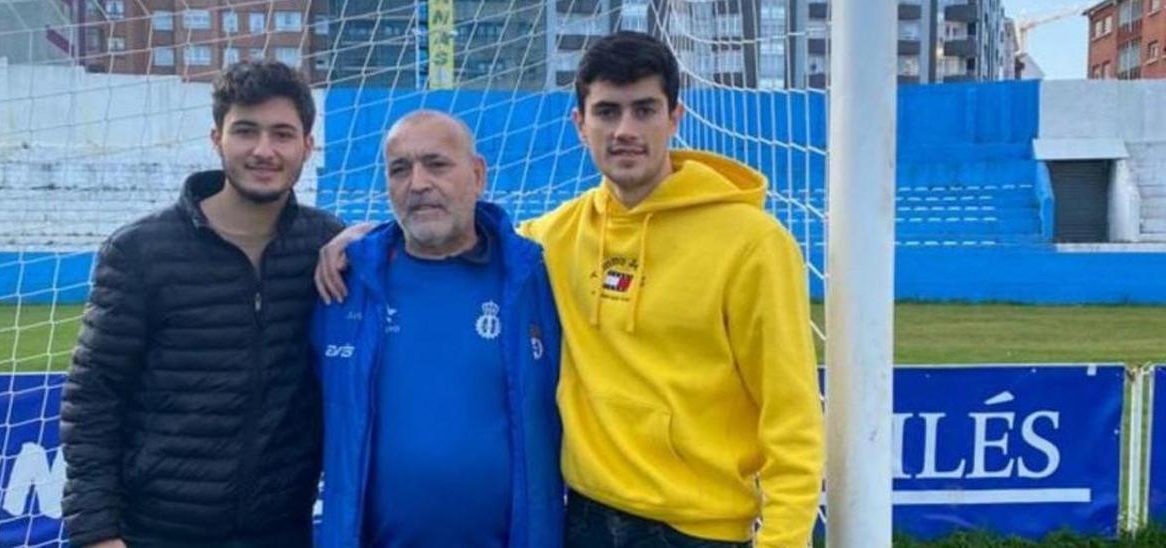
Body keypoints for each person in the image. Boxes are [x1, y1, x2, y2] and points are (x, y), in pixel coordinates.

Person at [317, 31, 823, 548]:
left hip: (697, 531)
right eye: (607, 112)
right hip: (584, 520)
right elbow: (452, 227)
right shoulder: (555, 238)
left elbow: (792, 417)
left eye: (644, 110)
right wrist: (363, 239)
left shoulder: (754, 243)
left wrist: (784, 539)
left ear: (675, 117)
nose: (625, 130)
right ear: (580, 125)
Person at [61, 60, 344, 548]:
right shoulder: (140, 252)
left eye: (282, 134)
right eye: (245, 131)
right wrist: (96, 533)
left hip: (279, 533)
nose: (263, 150)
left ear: (307, 147)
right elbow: (93, 396)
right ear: (217, 139)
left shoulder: (327, 247)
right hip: (155, 532)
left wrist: (360, 237)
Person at [312, 110, 564, 548]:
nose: (418, 182)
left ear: (478, 173)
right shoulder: (342, 284)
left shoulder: (538, 278)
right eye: (400, 169)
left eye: (437, 163)